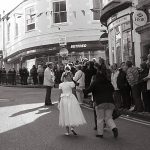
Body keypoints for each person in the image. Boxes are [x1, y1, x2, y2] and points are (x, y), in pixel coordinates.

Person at [83, 63, 118, 138]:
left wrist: (82, 90)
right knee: (108, 118)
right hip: (110, 102)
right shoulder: (108, 82)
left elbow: (87, 91)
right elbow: (113, 90)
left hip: (99, 103)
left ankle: (100, 133)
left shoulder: (95, 82)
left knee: (100, 118)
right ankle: (114, 128)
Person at [58, 71, 86, 135]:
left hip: (63, 99)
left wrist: (58, 102)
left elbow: (60, 94)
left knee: (65, 114)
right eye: (69, 76)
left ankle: (67, 132)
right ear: (66, 77)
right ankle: (72, 128)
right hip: (71, 98)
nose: (71, 77)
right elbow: (73, 92)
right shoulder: (71, 83)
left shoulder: (61, 84)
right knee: (73, 112)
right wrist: (76, 100)